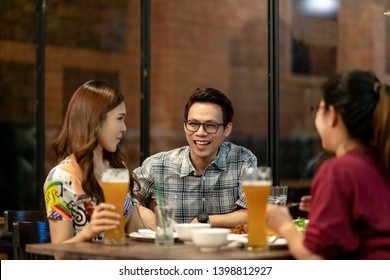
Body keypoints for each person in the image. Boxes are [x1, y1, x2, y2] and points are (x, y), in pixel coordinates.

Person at [267, 69, 390, 259]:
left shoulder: (338, 170)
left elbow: (315, 258)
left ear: (332, 115)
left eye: (318, 109)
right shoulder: (380, 159)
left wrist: (283, 224)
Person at [43, 81, 153, 255]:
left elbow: (134, 232)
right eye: (119, 118)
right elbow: (60, 255)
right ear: (96, 120)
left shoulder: (117, 168)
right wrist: (88, 233)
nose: (124, 128)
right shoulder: (60, 179)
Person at [133, 87, 257, 227]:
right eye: (193, 124)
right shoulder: (157, 165)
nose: (200, 132)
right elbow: (124, 199)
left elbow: (255, 211)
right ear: (185, 126)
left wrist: (204, 221)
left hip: (223, 248)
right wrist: (151, 219)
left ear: (227, 129)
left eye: (210, 125)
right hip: (171, 248)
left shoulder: (243, 160)